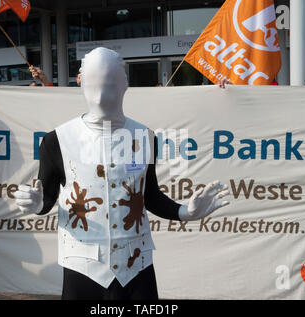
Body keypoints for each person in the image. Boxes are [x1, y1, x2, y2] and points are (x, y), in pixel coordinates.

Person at [14, 48, 230, 300]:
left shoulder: (144, 137)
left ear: (125, 83)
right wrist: (38, 204)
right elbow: (47, 197)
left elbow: (148, 195)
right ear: (80, 82)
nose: (102, 93)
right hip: (82, 268)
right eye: (95, 82)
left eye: (110, 82)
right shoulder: (57, 140)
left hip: (135, 266)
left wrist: (185, 212)